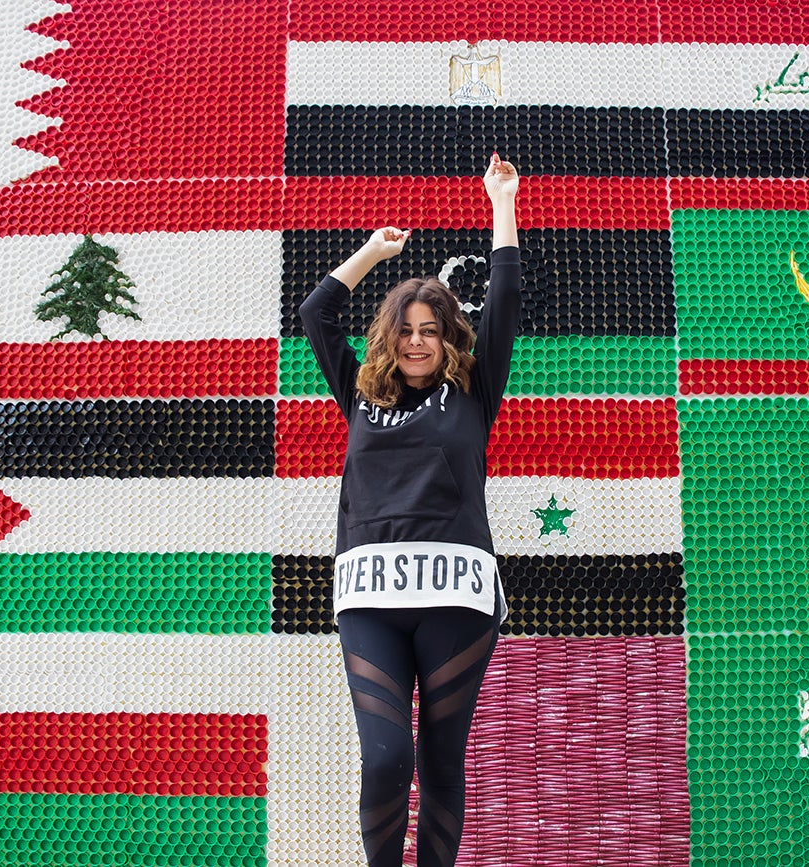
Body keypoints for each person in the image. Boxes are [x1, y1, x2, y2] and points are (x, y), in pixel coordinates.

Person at [298, 153, 520, 867]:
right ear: (390, 334)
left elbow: (507, 294)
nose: (417, 338)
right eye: (406, 326)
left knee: (442, 760)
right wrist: (374, 250)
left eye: (431, 327)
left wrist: (501, 202)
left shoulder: (474, 390)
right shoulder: (361, 394)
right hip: (370, 596)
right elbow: (316, 311)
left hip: (455, 595)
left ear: (449, 335)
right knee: (387, 758)